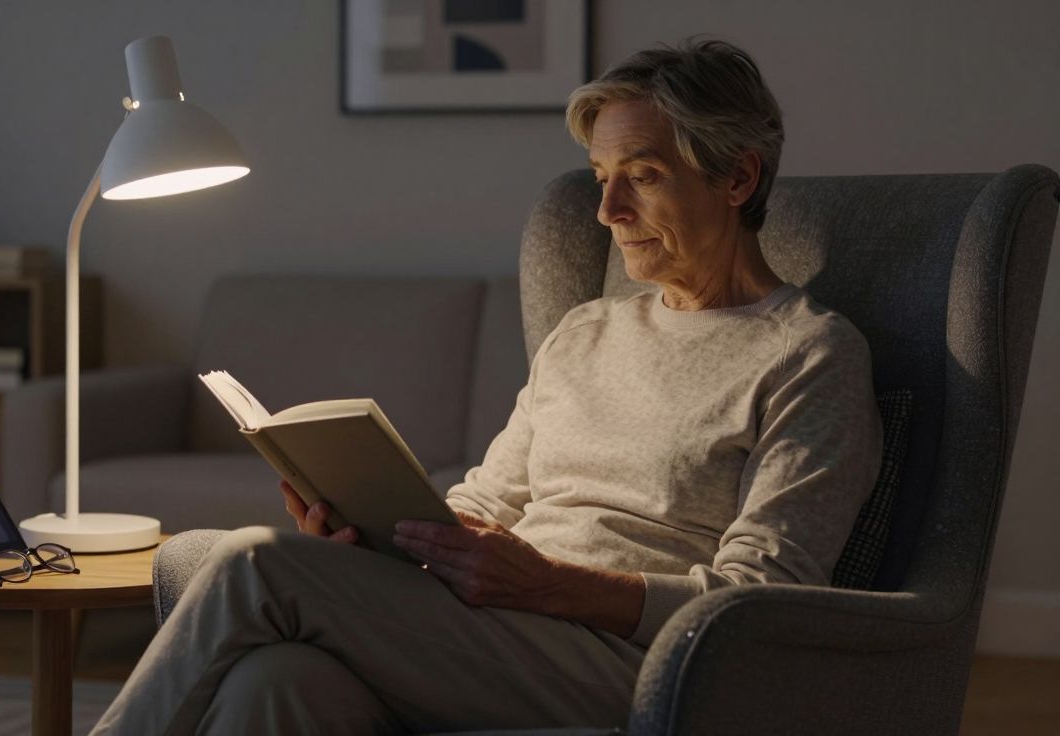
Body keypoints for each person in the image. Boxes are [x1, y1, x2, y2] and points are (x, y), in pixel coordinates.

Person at [91, 38, 882, 735]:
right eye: (602, 176)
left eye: (642, 176)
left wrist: (552, 585)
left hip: (632, 659)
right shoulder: (587, 332)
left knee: (253, 563)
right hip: (493, 626)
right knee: (281, 683)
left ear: (738, 178)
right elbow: (486, 505)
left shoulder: (810, 355)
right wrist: (374, 535)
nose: (608, 210)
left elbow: (758, 602)